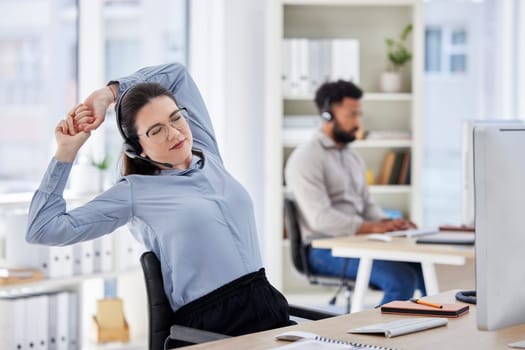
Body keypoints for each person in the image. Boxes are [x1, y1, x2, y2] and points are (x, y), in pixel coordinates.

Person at [26, 63, 291, 337]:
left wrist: (108, 94)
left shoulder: (205, 152)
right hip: (214, 326)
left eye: (176, 118)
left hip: (267, 303)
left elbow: (177, 74)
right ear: (136, 148)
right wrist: (65, 153)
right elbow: (42, 228)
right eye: (156, 130)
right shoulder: (134, 191)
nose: (174, 133)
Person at [284, 79, 426, 305]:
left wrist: (389, 223)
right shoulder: (306, 158)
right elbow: (321, 219)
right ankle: (380, 338)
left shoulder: (352, 158)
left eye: (359, 115)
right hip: (322, 249)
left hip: (358, 242)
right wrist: (372, 227)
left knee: (425, 268)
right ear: (328, 116)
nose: (358, 123)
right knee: (400, 279)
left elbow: (368, 206)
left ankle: (430, 328)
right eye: (351, 115)